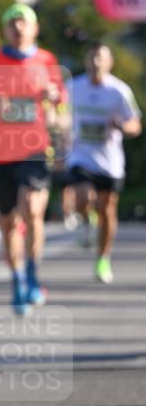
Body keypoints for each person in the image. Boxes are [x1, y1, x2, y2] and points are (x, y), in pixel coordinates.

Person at [0, 4, 67, 315]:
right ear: (5, 29)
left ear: (35, 28)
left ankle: (33, 273)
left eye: (24, 22)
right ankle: (18, 279)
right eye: (12, 23)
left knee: (33, 210)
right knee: (8, 222)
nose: (18, 28)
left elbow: (61, 106)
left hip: (34, 149)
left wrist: (53, 99)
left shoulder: (46, 60)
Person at [66, 43, 142, 283]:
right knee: (82, 197)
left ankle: (103, 259)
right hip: (80, 156)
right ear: (86, 61)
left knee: (107, 209)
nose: (96, 62)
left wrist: (123, 126)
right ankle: (86, 218)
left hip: (109, 161)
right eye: (91, 57)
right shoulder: (73, 87)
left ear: (110, 63)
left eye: (100, 58)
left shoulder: (118, 90)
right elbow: (60, 114)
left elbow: (135, 124)